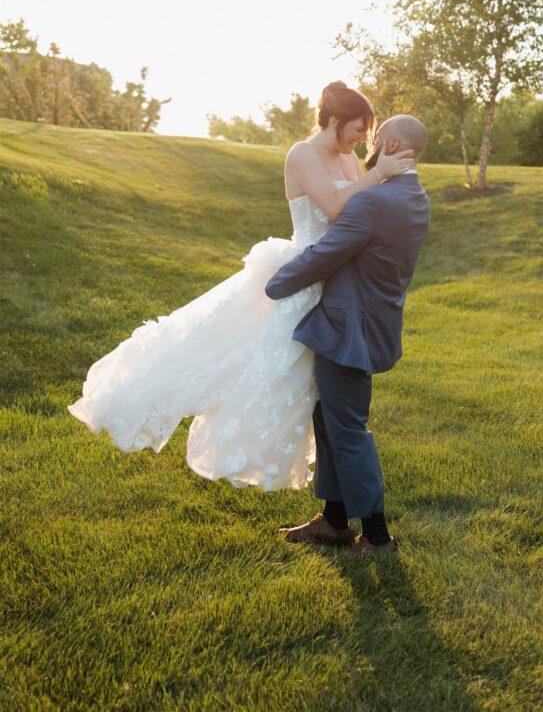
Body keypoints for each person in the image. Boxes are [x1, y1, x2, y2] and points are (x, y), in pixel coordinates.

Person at [67, 82, 413, 491]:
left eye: (367, 131)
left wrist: (381, 172)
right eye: (358, 129)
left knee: (313, 394)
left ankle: (334, 513)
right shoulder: (302, 154)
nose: (361, 139)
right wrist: (377, 174)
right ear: (334, 121)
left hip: (334, 282)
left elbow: (362, 208)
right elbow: (336, 207)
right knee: (243, 362)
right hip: (302, 275)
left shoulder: (350, 158)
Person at [265, 115, 430, 557]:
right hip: (370, 319)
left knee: (348, 428)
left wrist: (274, 284)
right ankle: (335, 521)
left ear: (391, 144)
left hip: (347, 327)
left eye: (376, 137)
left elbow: (325, 255)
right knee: (329, 416)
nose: (370, 144)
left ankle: (376, 537)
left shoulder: (374, 202)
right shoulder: (415, 195)